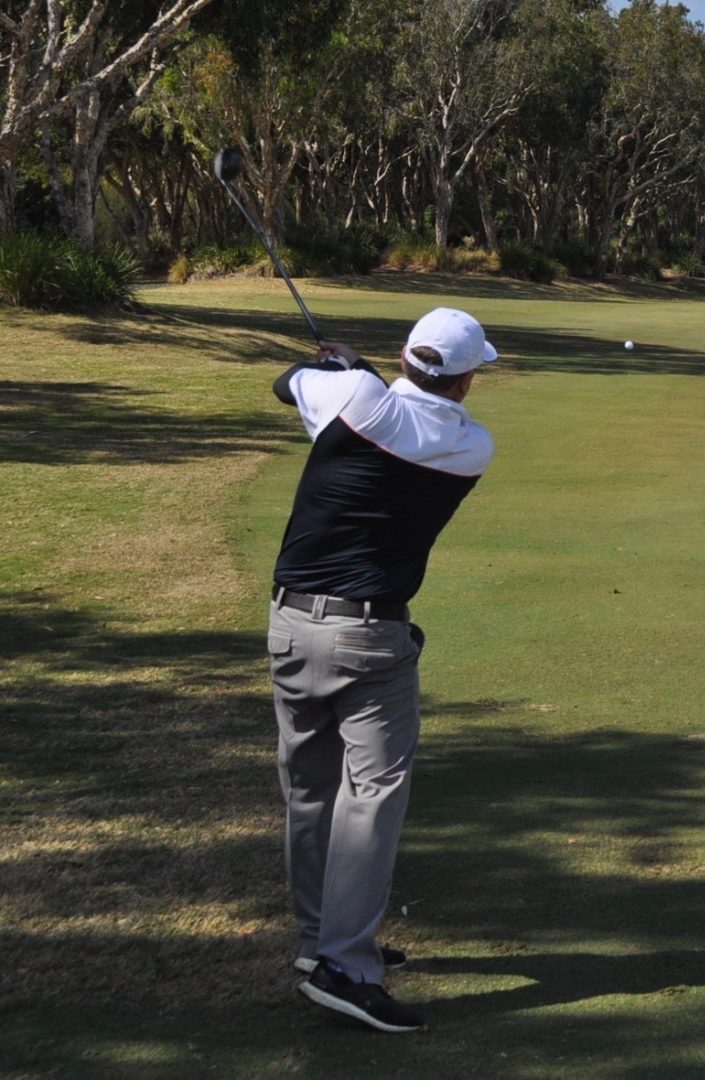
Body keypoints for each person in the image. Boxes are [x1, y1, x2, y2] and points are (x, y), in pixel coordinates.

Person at [266, 307, 497, 1032]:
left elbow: (286, 384)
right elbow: (402, 417)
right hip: (371, 641)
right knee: (371, 796)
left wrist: (343, 367)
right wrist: (361, 372)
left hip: (290, 625)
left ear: (404, 355)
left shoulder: (354, 398)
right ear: (467, 381)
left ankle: (319, 942)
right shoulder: (472, 446)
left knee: (310, 789)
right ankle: (343, 965)